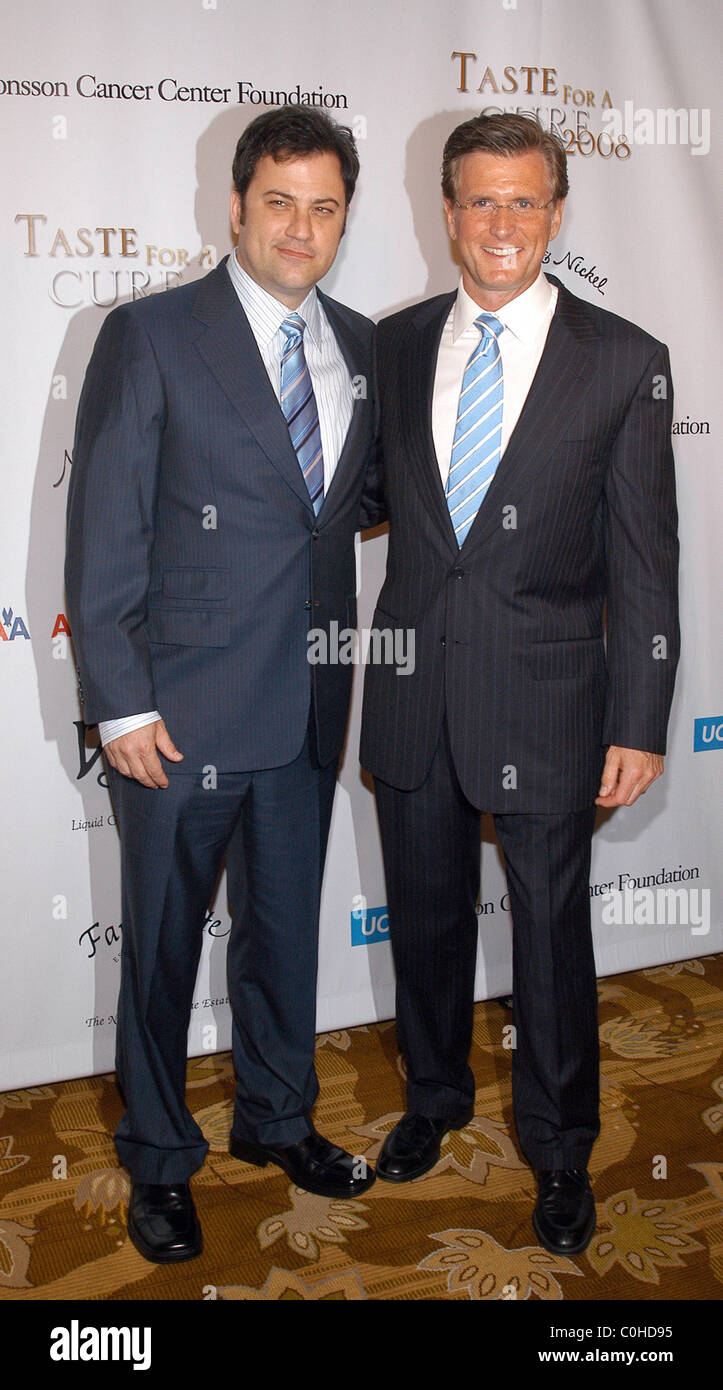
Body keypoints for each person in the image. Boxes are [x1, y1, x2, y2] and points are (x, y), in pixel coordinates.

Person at [360, 113, 679, 1256]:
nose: (503, 223)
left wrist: (640, 719)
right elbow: (359, 506)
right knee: (429, 927)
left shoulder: (625, 359)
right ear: (447, 212)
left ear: (557, 212)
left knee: (550, 939)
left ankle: (557, 1146)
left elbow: (648, 564)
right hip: (411, 694)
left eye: (525, 201)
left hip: (551, 702)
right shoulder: (391, 348)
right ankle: (434, 1098)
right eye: (481, 200)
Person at [65, 106, 378, 1265]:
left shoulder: (357, 343)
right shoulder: (150, 335)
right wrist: (123, 701)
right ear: (236, 206)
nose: (302, 228)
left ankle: (277, 1117)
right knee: (159, 946)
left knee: (284, 934)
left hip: (304, 709)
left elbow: (357, 505)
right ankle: (157, 1158)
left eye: (325, 206)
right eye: (281, 203)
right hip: (179, 716)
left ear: (346, 217)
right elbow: (102, 529)